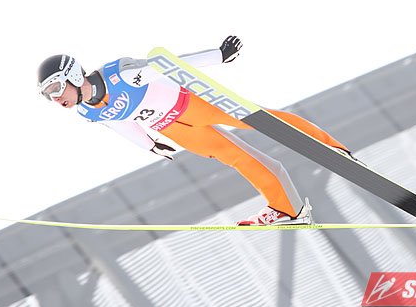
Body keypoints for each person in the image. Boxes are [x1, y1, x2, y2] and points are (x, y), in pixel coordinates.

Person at [37, 36, 352, 225]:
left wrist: (219, 55)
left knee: (258, 119)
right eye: (48, 95)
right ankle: (287, 210)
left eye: (56, 88)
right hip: (174, 129)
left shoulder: (121, 75)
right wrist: (149, 145)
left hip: (192, 104)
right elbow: (119, 123)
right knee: (239, 158)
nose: (56, 98)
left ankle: (331, 147)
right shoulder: (87, 111)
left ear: (73, 75)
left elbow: (170, 63)